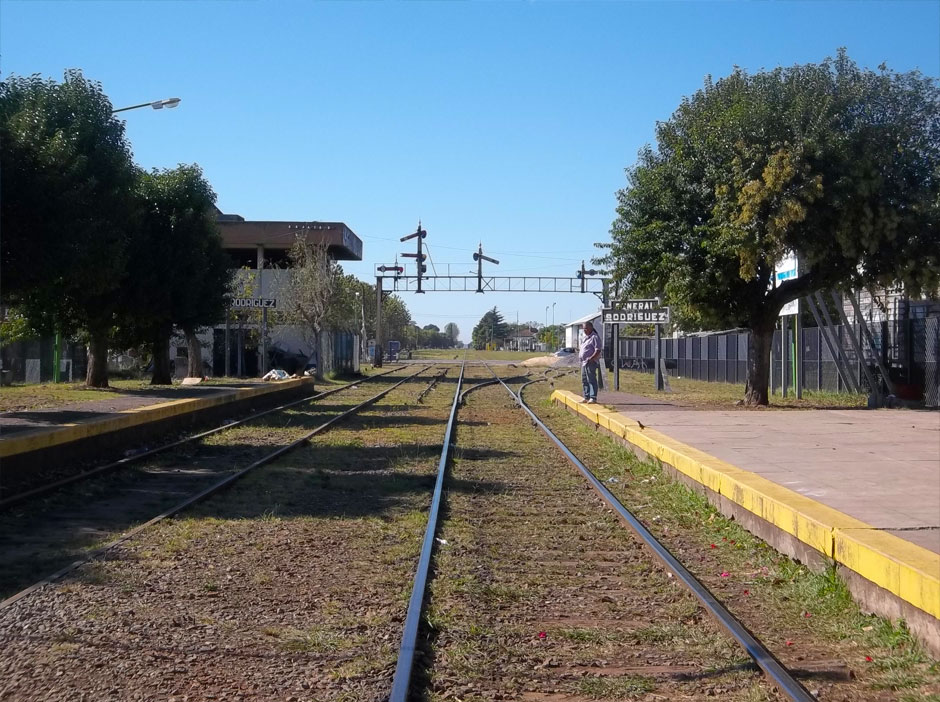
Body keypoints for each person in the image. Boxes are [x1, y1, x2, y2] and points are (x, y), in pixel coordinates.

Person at [579, 321, 602, 403]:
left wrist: (591, 358)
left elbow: (598, 350)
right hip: (584, 362)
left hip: (590, 362)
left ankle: (593, 397)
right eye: (583, 329)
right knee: (584, 380)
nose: (584, 330)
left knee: (591, 379)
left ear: (590, 328)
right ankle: (586, 396)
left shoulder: (595, 337)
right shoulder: (585, 337)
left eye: (586, 328)